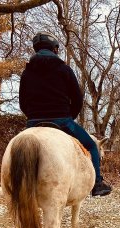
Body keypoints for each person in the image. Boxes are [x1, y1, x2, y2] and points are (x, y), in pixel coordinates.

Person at [19, 32, 111, 197]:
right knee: (91, 145)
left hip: (33, 122)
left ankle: (15, 186)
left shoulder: (26, 73)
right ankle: (97, 183)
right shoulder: (64, 70)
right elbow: (77, 99)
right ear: (55, 49)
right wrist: (69, 117)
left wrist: (32, 117)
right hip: (61, 120)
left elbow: (22, 103)